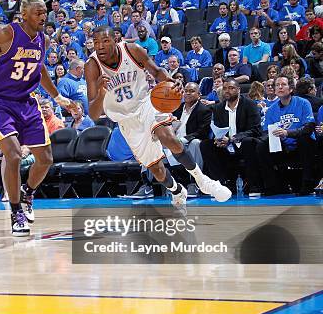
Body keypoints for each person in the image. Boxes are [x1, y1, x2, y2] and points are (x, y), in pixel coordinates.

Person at [0, 0, 76, 235]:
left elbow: (39, 67)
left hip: (27, 102)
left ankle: (27, 193)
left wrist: (58, 98)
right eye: (38, 12)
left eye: (45, 12)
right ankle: (15, 212)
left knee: (45, 159)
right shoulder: (6, 33)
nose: (43, 16)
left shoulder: (43, 39)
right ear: (24, 14)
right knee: (12, 155)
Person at [84, 26, 231, 205]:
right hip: (126, 120)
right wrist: (100, 91)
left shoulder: (132, 50)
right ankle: (177, 190)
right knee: (157, 170)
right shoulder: (92, 66)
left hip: (146, 104)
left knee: (168, 137)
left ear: (116, 40)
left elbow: (155, 71)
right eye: (96, 43)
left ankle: (203, 181)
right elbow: (93, 114)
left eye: (105, 41)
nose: (99, 47)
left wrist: (171, 82)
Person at [256, 75, 317, 195]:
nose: (279, 87)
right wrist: (275, 136)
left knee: (304, 139)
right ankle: (272, 186)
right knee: (261, 145)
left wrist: (287, 133)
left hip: (302, 145)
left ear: (291, 89)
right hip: (283, 147)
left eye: (283, 84)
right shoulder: (272, 110)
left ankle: (307, 184)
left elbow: (309, 127)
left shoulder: (303, 103)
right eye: (277, 85)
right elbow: (265, 132)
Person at [200, 79, 263, 195]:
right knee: (205, 145)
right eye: (225, 88)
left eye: (231, 88)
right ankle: (221, 185)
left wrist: (232, 139)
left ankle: (254, 185)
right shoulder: (218, 108)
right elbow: (218, 129)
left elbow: (256, 130)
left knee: (249, 142)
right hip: (226, 146)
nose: (227, 91)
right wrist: (218, 139)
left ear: (238, 90)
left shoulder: (250, 105)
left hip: (243, 144)